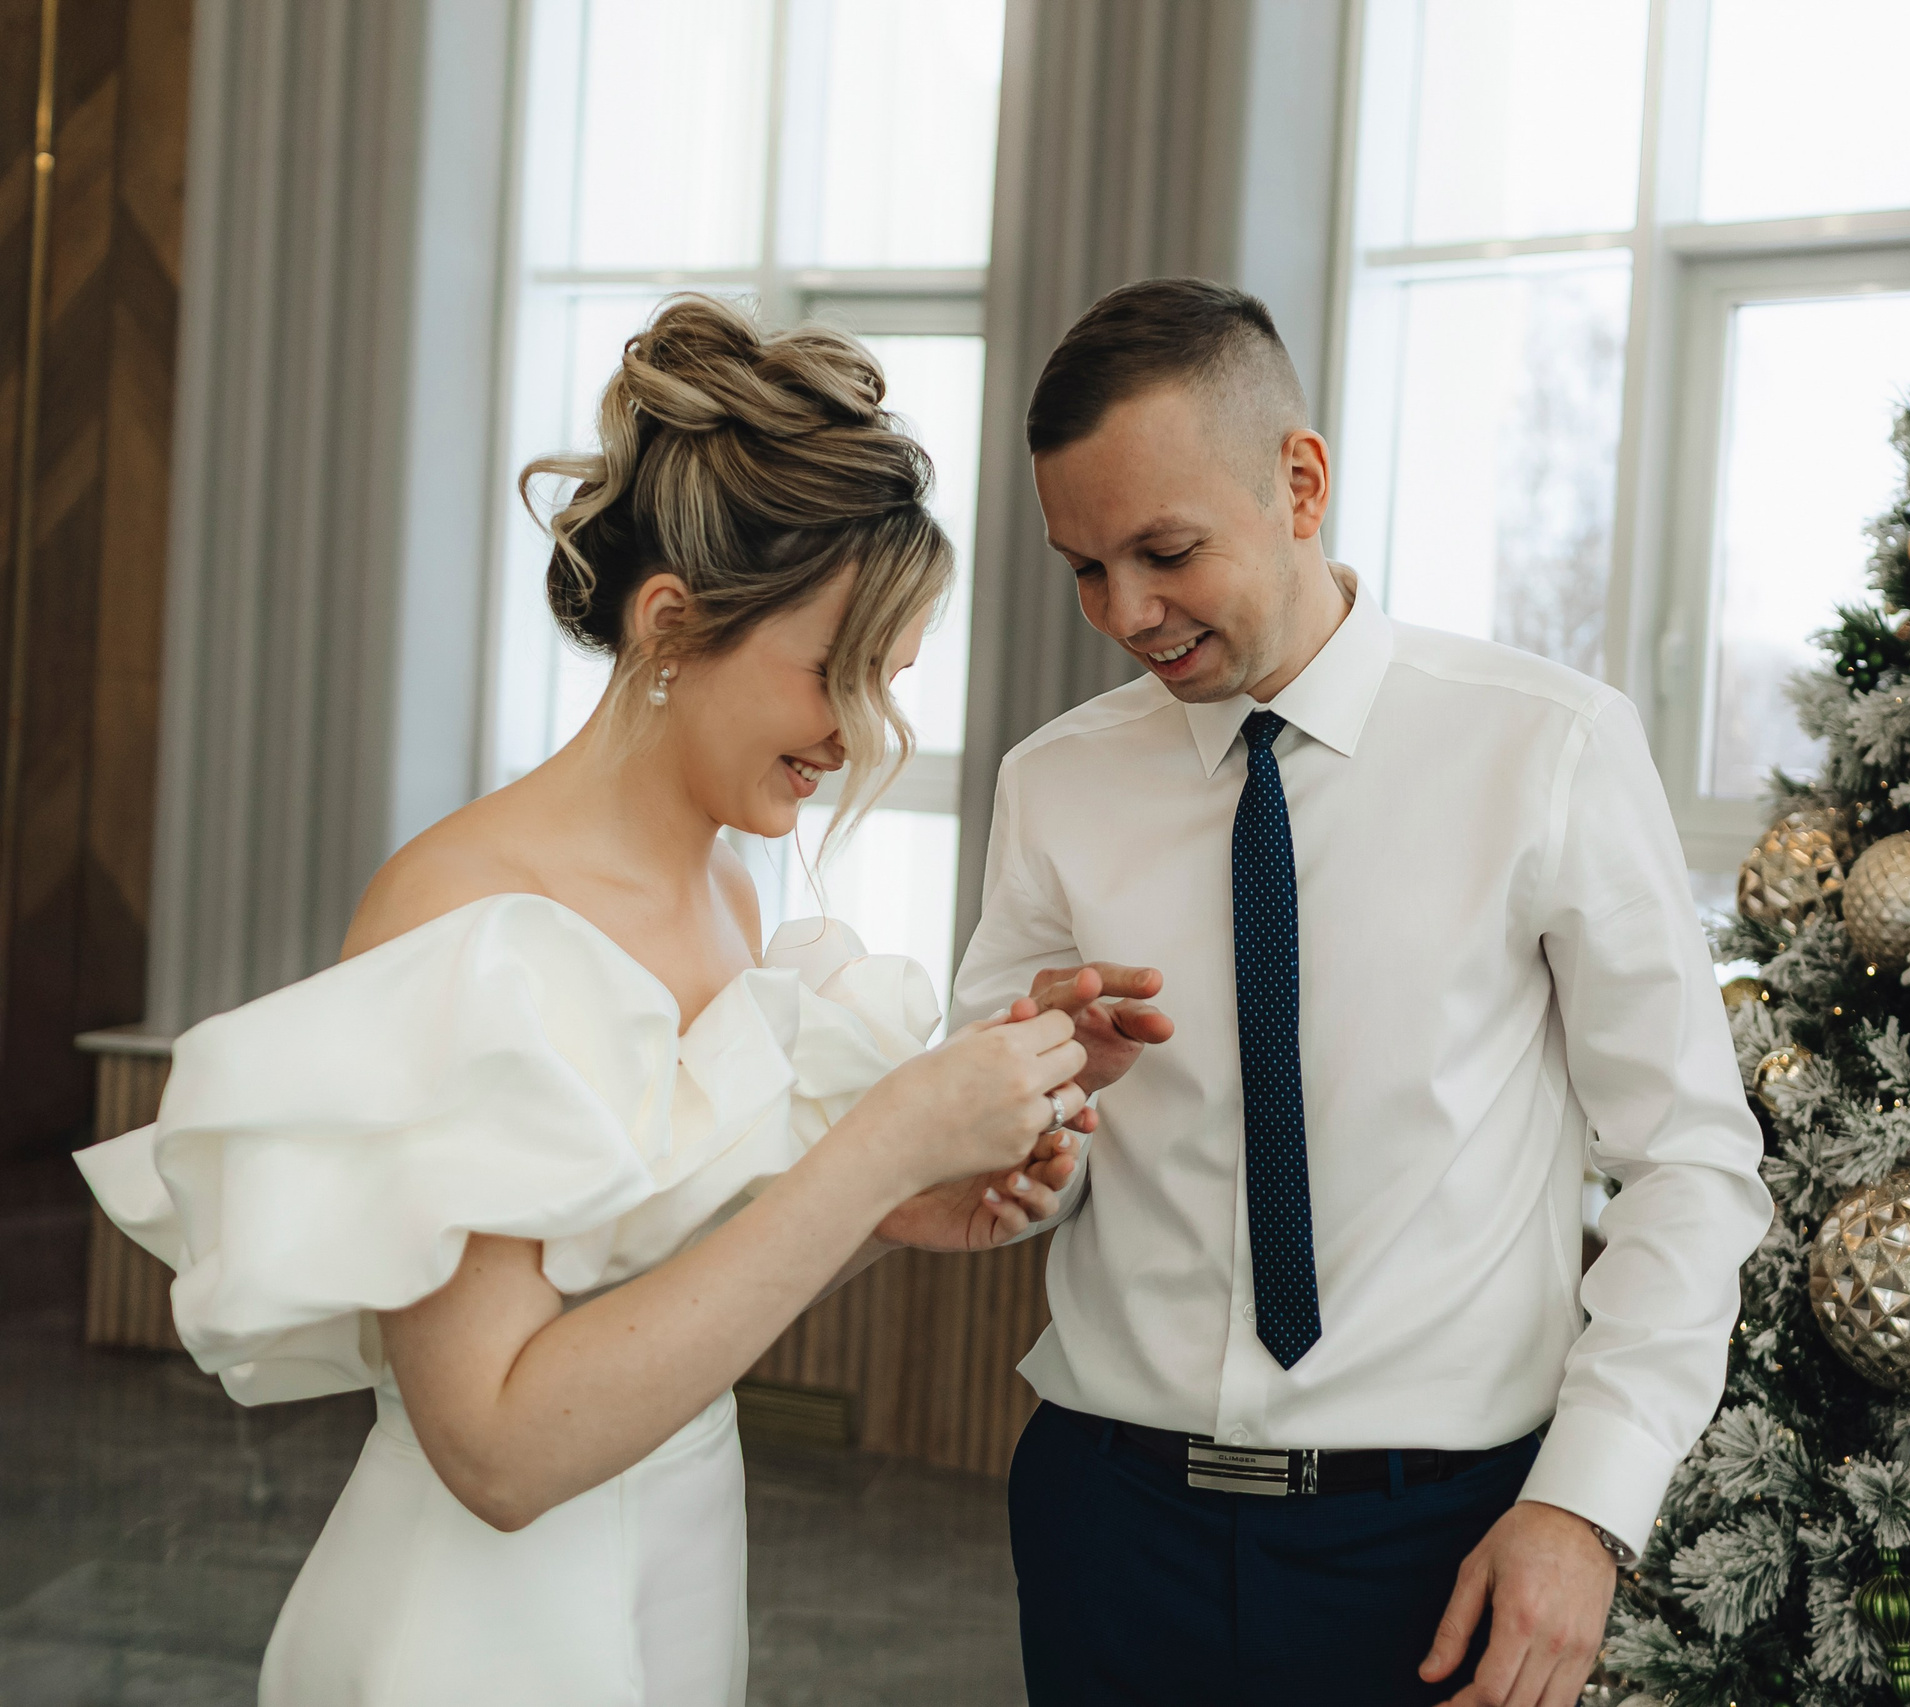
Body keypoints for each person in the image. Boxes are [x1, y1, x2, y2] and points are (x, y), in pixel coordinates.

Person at [76, 295, 1128, 1707]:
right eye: (832, 670)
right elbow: (500, 1449)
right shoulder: (463, 915)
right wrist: (874, 1144)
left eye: (885, 679)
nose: (857, 730)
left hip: (684, 1576)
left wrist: (892, 1211)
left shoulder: (734, 905)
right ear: (672, 624)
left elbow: (665, 1295)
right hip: (482, 1629)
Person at [958, 277, 1777, 1707]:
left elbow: (1691, 1163)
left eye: (1164, 550)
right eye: (1085, 567)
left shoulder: (1550, 751)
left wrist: (1584, 1510)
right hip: (1109, 1521)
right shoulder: (1055, 787)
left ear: (1300, 479)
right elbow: (1009, 1153)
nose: (1127, 613)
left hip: (1437, 1549)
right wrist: (1034, 1129)